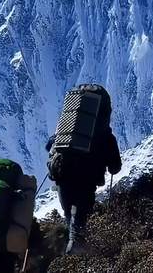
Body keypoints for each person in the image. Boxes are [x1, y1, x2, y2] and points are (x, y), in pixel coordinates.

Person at [46, 84, 122, 255]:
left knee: (69, 215)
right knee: (80, 221)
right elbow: (115, 167)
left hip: (63, 173)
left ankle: (68, 253)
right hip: (86, 178)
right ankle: (79, 254)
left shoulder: (66, 131)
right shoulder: (106, 136)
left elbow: (49, 145)